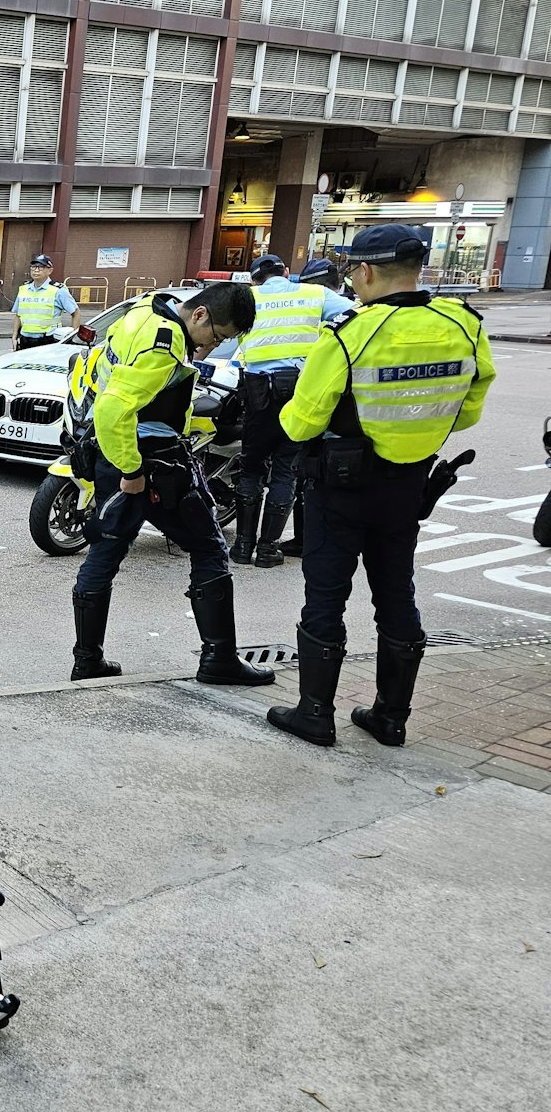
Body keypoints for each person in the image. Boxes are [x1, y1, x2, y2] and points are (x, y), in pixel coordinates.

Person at [266, 225, 495, 747]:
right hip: (408, 485)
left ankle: (315, 714)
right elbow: (466, 413)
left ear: (365, 271)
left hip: (341, 488)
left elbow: (299, 426)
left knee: (326, 596)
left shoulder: (350, 333)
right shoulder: (463, 326)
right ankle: (391, 718)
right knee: (397, 594)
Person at [69, 282, 272, 687]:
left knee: (105, 553)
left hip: (112, 452)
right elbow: (115, 407)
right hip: (150, 460)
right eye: (217, 336)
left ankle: (87, 659)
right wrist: (132, 471)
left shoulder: (146, 309)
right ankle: (219, 659)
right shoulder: (163, 348)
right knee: (210, 547)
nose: (212, 346)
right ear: (199, 315)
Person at [231, 254, 353, 568]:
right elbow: (355, 317)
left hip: (258, 392)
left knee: (251, 469)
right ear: (287, 272)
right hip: (299, 390)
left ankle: (242, 548)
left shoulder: (247, 297)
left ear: (254, 279)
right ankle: (267, 549)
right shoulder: (315, 294)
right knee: (285, 469)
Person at [11, 255, 80, 351]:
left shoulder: (58, 290)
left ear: (50, 270)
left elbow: (75, 312)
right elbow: (18, 315)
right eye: (34, 267)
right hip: (25, 339)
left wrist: (72, 337)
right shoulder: (23, 289)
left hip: (48, 339)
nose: (36, 270)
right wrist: (14, 336)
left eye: (41, 267)